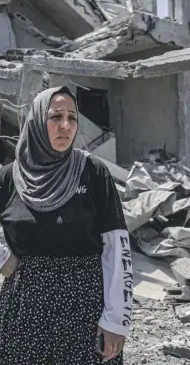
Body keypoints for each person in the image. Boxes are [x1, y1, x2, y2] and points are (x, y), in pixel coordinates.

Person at [0, 86, 133, 364]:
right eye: (55, 116)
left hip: (83, 307)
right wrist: (3, 257)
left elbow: (116, 248)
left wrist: (116, 321)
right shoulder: (10, 177)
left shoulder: (93, 172)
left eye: (72, 118)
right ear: (36, 120)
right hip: (24, 309)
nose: (65, 126)